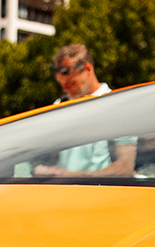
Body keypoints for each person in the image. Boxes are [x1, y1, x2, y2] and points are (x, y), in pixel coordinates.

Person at [35, 43, 135, 178]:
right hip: (62, 191)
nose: (65, 89)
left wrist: (74, 176)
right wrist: (40, 169)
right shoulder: (59, 107)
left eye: (71, 83)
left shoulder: (118, 107)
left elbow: (125, 167)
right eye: (62, 85)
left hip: (101, 192)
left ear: (88, 69)